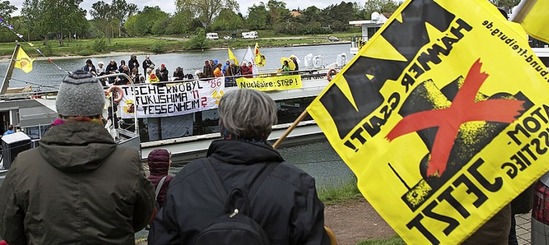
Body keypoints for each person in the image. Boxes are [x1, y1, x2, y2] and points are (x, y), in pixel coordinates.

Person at [148, 89, 331, 244]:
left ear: (222, 125)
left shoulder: (186, 180)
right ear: (268, 128)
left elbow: (160, 239)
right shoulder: (298, 184)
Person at [0, 69, 155, 244]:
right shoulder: (128, 162)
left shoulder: (23, 164)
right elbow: (142, 218)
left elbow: (9, 229)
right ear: (99, 113)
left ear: (60, 112)